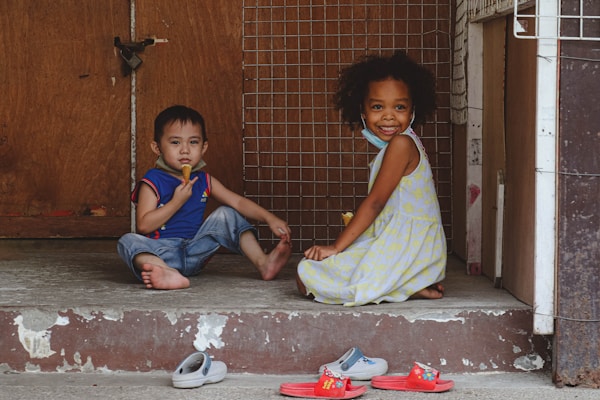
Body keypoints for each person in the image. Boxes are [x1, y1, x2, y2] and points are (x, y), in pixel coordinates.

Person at [296, 50, 447, 306]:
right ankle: (407, 282)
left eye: (399, 107)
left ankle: (404, 283)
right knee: (313, 271)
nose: (388, 116)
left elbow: (376, 203)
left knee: (306, 274)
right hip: (412, 249)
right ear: (363, 111)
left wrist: (336, 248)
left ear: (412, 110)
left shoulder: (401, 144)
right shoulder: (400, 146)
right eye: (378, 107)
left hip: (407, 248)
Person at [117, 105, 292, 290]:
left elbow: (238, 202)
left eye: (193, 142)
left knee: (226, 213)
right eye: (175, 142)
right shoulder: (152, 181)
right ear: (157, 147)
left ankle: (263, 263)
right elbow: (144, 225)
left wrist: (269, 218)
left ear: (204, 147)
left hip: (195, 251)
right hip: (161, 253)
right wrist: (176, 202)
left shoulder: (204, 180)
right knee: (127, 241)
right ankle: (166, 273)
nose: (185, 150)